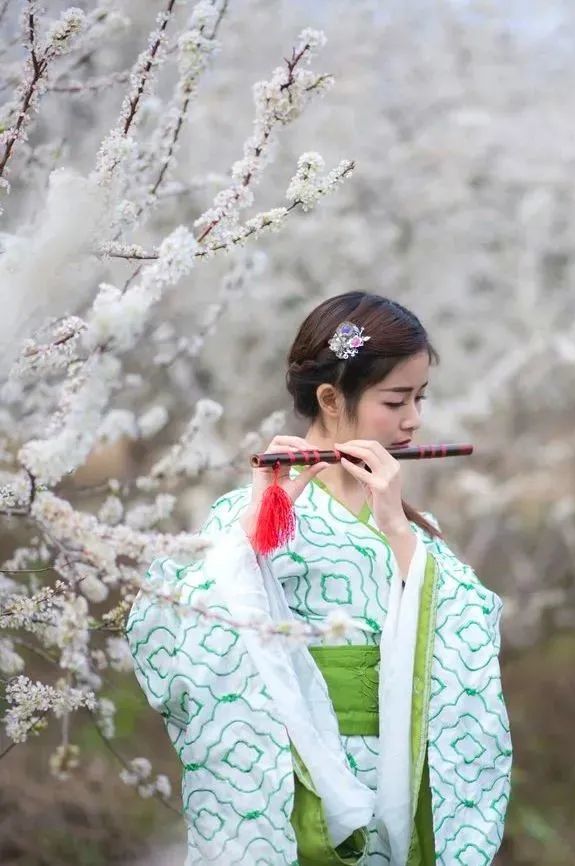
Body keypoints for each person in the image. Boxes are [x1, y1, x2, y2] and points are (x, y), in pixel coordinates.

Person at [126, 291, 512, 865]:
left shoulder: (411, 526)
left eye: (420, 398)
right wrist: (252, 536)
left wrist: (399, 532)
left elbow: (471, 622)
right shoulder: (249, 511)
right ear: (331, 398)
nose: (413, 419)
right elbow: (166, 626)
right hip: (293, 774)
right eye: (395, 400)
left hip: (397, 769)